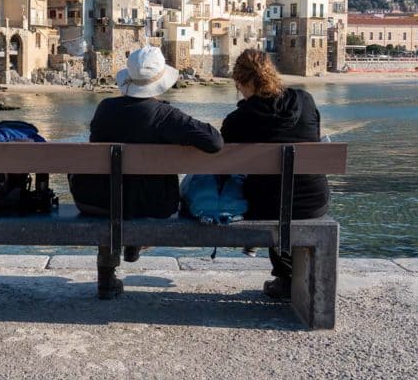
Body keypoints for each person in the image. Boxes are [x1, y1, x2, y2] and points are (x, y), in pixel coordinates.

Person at [70, 45, 223, 299]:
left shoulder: (105, 107)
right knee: (131, 198)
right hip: (151, 205)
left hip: (94, 200)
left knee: (115, 195)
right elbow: (214, 142)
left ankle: (107, 279)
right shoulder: (164, 115)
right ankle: (136, 240)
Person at [220, 49, 330, 300]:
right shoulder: (305, 101)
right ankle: (289, 276)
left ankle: (285, 278)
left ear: (243, 82)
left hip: (266, 206)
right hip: (314, 201)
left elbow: (223, 160)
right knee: (284, 191)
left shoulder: (238, 119)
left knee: (271, 195)